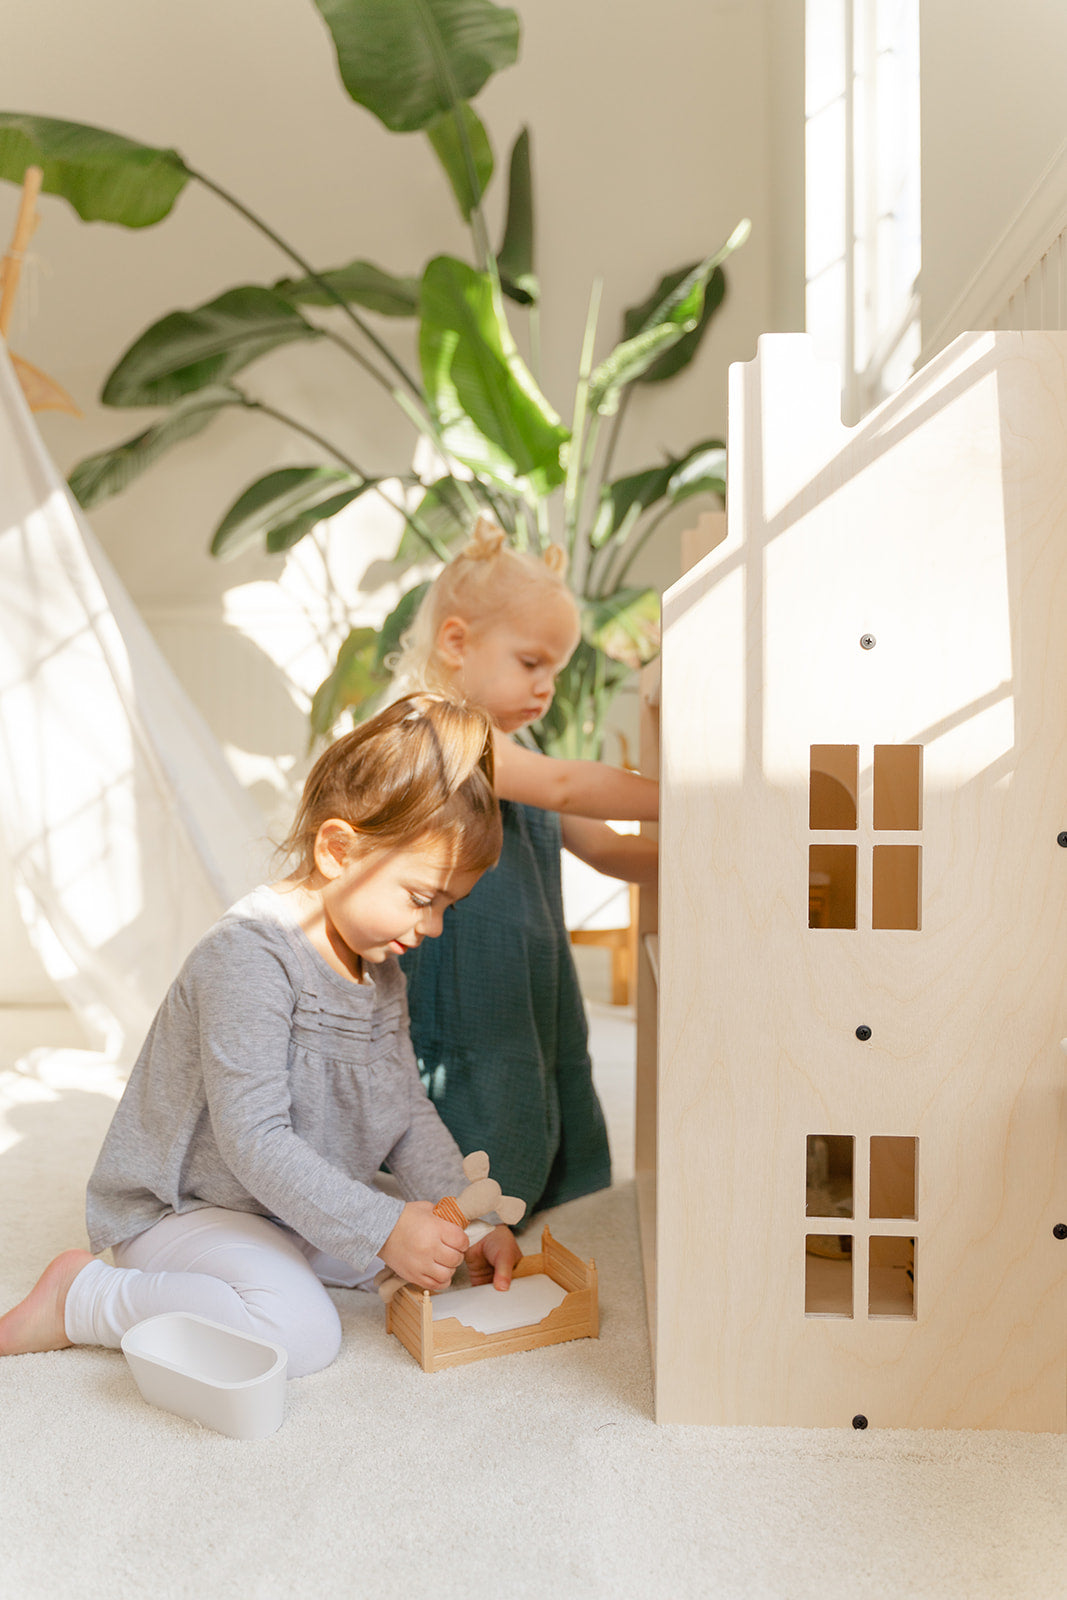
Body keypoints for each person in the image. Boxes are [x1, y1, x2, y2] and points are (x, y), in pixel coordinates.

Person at [0, 694, 521, 1379]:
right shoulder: (248, 955)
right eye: (423, 898)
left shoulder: (378, 969)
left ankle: (301, 1256)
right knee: (301, 1335)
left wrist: (469, 1224)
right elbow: (254, 1140)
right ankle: (83, 1296)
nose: (431, 929)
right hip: (187, 1211)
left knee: (428, 1236)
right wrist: (383, 1231)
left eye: (447, 907)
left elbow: (404, 1111)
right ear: (337, 850)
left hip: (282, 1210)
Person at [389, 518, 658, 1216]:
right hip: (460, 972)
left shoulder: (515, 740)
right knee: (476, 1090)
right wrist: (685, 798)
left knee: (539, 1069)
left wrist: (710, 854)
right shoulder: (434, 724)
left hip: (528, 972)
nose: (545, 687)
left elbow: (601, 845)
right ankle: (463, 1210)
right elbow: (565, 787)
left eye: (556, 671)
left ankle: (535, 1194)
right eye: (530, 662)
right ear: (456, 642)